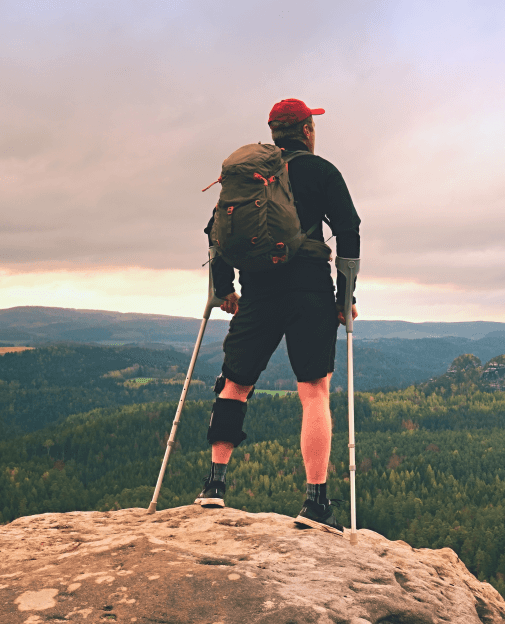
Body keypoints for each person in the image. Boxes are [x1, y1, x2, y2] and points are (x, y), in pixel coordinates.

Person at [195, 98, 361, 534]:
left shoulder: (249, 177)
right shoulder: (322, 172)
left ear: (273, 132)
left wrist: (225, 287)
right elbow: (349, 231)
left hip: (258, 288)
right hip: (308, 287)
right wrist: (345, 296)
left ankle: (214, 486)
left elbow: (217, 233)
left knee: (235, 384)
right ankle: (315, 502)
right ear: (307, 130)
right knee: (314, 390)